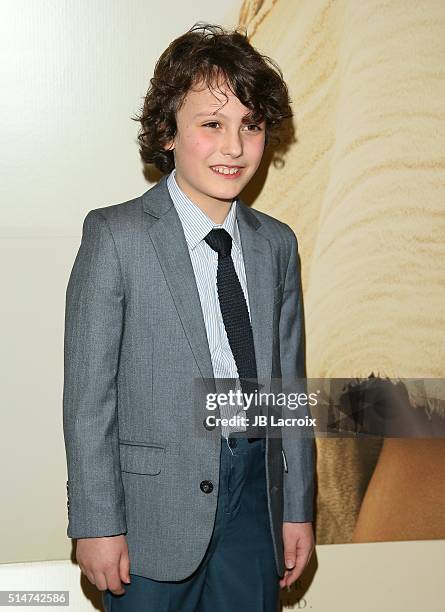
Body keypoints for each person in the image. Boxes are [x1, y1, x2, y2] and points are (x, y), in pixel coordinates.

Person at [63, 23, 315, 612]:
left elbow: (288, 388)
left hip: (255, 499)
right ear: (167, 132)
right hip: (152, 514)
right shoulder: (115, 235)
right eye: (212, 124)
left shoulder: (276, 244)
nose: (233, 146)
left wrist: (298, 506)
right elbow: (88, 395)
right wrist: (96, 520)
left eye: (250, 126)